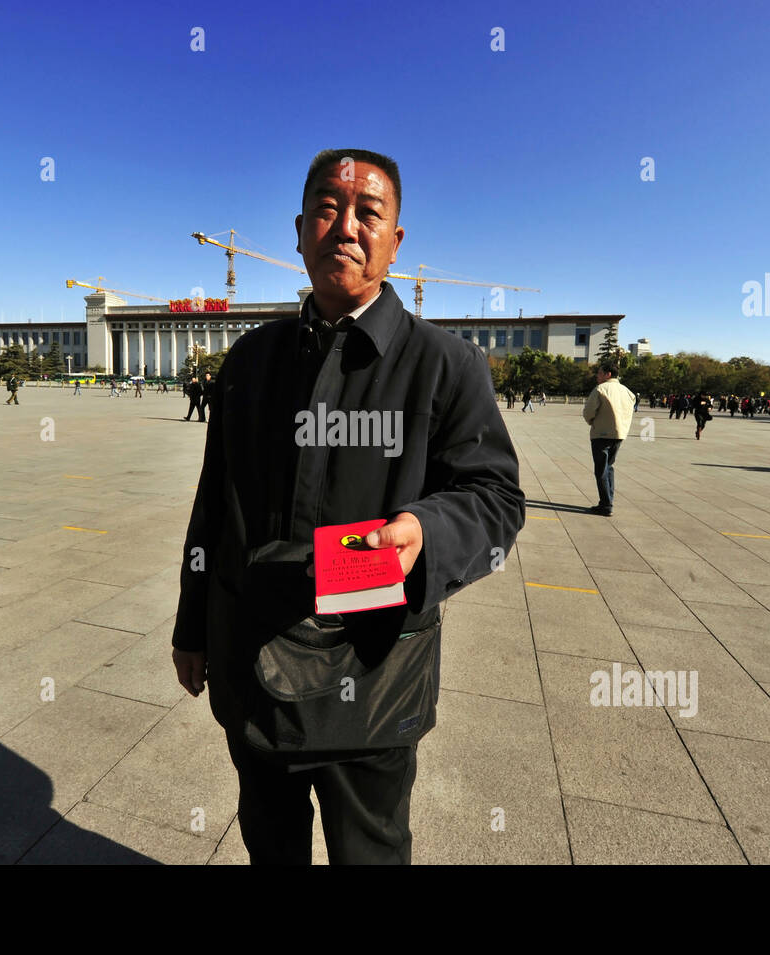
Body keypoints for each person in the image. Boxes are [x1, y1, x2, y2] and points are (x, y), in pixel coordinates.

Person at [171, 149, 524, 866]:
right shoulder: (250, 362)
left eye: (370, 213)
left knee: (371, 849)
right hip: (254, 652)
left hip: (374, 670)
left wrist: (425, 530)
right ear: (300, 230)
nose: (347, 228)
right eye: (329, 209)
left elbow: (497, 498)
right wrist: (191, 625)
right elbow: (213, 502)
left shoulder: (446, 365)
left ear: (396, 241)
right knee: (269, 841)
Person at [582, 361, 636, 516]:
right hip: (619, 434)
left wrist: (592, 422)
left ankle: (606, 504)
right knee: (609, 467)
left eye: (599, 373)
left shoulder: (600, 389)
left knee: (601, 470)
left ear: (608, 374)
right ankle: (608, 500)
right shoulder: (627, 391)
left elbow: (588, 412)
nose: (597, 376)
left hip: (601, 434)